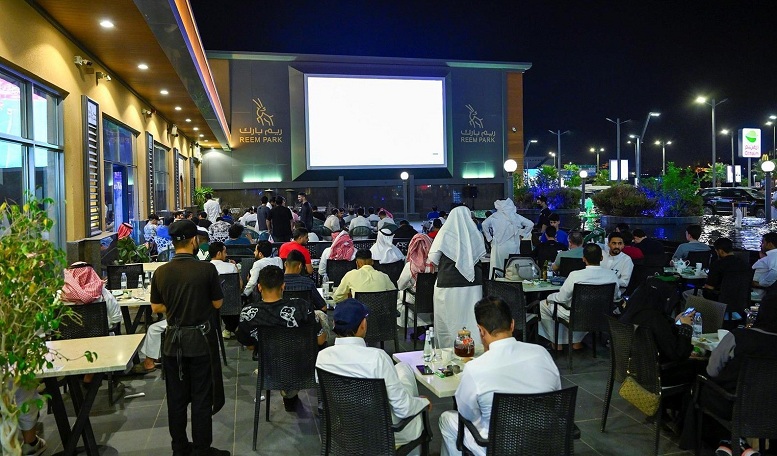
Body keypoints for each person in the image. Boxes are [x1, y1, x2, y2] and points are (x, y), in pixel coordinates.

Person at [440, 297, 561, 456]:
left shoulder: (475, 368)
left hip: (498, 447)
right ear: (512, 324)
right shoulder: (541, 353)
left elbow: (467, 414)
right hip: (543, 442)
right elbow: (556, 397)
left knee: (446, 419)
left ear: (481, 330)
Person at [149, 219, 229, 456]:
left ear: (173, 243)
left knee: (176, 399)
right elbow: (218, 302)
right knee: (201, 399)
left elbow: (155, 307)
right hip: (201, 342)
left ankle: (180, 448)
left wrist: (174, 306)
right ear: (194, 241)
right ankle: (202, 449)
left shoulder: (161, 272)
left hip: (173, 343)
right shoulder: (206, 269)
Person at [315, 299, 430, 449]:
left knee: (402, 368)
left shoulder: (322, 357)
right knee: (404, 372)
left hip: (344, 432)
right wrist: (423, 402)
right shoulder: (377, 358)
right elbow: (403, 409)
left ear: (334, 325)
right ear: (363, 325)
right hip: (383, 433)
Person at [680, 295, 777, 455]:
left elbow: (712, 370)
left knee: (701, 387)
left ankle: (729, 442)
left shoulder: (738, 337)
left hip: (732, 403)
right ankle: (735, 444)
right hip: (770, 408)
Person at [236, 265, 327, 411]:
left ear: (259, 287)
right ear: (283, 286)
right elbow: (321, 340)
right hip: (304, 368)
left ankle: (289, 395)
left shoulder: (248, 313)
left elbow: (251, 346)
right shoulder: (302, 306)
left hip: (270, 370)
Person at [538, 244, 620, 350]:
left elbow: (561, 298)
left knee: (544, 305)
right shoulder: (611, 275)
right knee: (578, 308)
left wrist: (550, 297)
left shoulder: (575, 275)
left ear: (583, 259)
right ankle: (576, 342)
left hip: (576, 314)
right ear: (601, 258)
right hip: (601, 315)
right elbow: (616, 296)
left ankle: (557, 343)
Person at [429, 205, 486, 348]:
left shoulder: (445, 232)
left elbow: (433, 257)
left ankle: (448, 351)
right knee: (471, 318)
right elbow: (482, 253)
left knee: (448, 320)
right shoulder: (475, 233)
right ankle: (473, 349)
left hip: (448, 283)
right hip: (473, 283)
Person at [481, 198, 534, 279]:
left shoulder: (495, 216)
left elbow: (484, 224)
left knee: (497, 268)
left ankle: (496, 286)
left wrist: (489, 238)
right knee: (512, 269)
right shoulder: (516, 216)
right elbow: (530, 224)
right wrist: (522, 235)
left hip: (498, 246)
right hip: (514, 245)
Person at [397, 233, 435, 327]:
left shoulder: (410, 266)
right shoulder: (435, 265)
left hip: (416, 299)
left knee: (399, 297)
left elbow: (400, 285)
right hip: (433, 299)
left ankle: (416, 325)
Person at [601, 232, 634, 296]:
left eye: (620, 244)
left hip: (614, 293)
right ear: (608, 244)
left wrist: (608, 280)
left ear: (623, 245)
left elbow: (625, 282)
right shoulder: (602, 255)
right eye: (614, 243)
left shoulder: (626, 260)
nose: (617, 246)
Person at [752, 231, 777, 298]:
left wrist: (760, 284)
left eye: (763, 242)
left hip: (758, 293)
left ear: (770, 244)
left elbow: (775, 272)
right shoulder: (771, 256)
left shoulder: (774, 256)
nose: (761, 245)